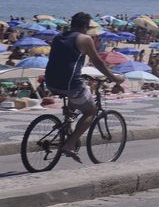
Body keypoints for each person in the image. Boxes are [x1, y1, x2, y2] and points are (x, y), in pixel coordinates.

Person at [44, 12, 126, 162]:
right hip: (70, 83)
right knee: (90, 111)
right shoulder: (84, 39)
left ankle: (67, 127)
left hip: (50, 81)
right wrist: (113, 78)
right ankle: (69, 145)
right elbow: (98, 62)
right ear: (84, 27)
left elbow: (61, 60)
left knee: (75, 98)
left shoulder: (59, 37)